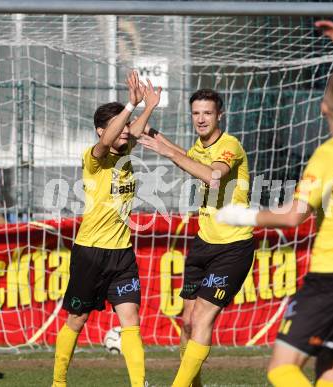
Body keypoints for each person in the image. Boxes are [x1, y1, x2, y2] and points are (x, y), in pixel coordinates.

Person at [217, 20, 333, 387]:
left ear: (323, 109)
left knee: (282, 369)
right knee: (330, 378)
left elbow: (294, 217)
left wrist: (242, 214)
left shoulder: (326, 157)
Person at [138, 89, 255, 387]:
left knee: (202, 317)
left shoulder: (230, 146)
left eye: (207, 113)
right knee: (188, 322)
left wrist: (170, 153)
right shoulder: (199, 147)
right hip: (203, 242)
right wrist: (146, 108)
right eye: (196, 113)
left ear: (220, 115)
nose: (201, 119)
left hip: (233, 247)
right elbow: (161, 143)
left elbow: (213, 176)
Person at [52, 71, 161, 387]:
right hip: (91, 253)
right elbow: (106, 141)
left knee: (131, 323)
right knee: (78, 319)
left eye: (126, 126)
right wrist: (131, 103)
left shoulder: (124, 152)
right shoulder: (94, 157)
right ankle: (58, 382)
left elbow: (132, 133)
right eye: (119, 126)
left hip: (122, 257)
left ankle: (139, 385)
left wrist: (148, 107)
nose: (126, 131)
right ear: (102, 130)